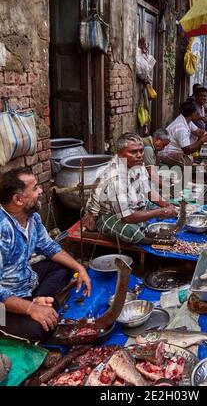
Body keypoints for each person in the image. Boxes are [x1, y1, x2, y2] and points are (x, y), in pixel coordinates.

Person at [0, 168, 91, 342]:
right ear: (18, 199)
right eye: (35, 188)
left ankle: (41, 300)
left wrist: (80, 267)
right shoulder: (2, 231)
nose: (41, 191)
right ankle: (39, 305)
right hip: (3, 302)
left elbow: (49, 247)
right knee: (41, 329)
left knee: (65, 266)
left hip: (25, 281)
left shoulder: (31, 217)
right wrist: (30, 308)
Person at [83, 133, 178, 244]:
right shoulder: (115, 176)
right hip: (105, 214)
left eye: (141, 151)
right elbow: (126, 217)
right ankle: (151, 240)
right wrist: (159, 212)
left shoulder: (138, 164)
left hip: (130, 204)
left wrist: (166, 205)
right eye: (133, 152)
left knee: (164, 205)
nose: (139, 155)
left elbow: (148, 191)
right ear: (119, 154)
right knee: (132, 230)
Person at [159, 100, 207, 167]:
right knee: (191, 162)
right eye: (196, 113)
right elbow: (187, 150)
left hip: (176, 152)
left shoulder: (187, 120)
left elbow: (199, 132)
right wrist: (201, 141)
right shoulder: (181, 128)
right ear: (193, 113)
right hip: (168, 154)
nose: (198, 115)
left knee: (193, 160)